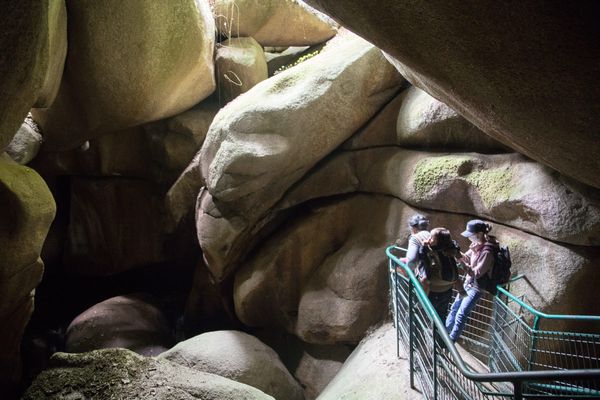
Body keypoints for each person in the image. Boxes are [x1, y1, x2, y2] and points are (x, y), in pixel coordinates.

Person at [445, 219, 499, 342]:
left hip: (476, 287)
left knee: (461, 314)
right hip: (467, 283)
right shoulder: (476, 245)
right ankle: (444, 333)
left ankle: (450, 341)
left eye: (471, 235)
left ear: (479, 234)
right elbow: (466, 257)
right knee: (455, 308)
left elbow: (477, 273)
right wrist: (456, 251)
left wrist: (461, 261)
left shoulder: (487, 251)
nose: (469, 238)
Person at [417, 227, 462, 322]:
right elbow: (455, 245)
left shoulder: (430, 250)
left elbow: (421, 259)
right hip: (447, 290)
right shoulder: (450, 247)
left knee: (430, 318)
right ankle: (440, 335)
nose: (429, 239)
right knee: (441, 317)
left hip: (434, 291)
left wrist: (422, 247)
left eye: (431, 238)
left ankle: (421, 303)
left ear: (438, 241)